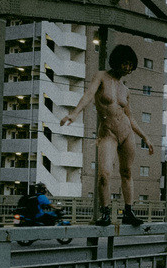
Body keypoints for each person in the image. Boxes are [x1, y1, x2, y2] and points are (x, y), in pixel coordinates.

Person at [60, 44, 153, 227]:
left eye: (130, 65)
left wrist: (145, 137)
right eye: (125, 63)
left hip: (126, 133)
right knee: (104, 174)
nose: (127, 68)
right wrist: (74, 113)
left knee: (127, 172)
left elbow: (130, 117)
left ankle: (128, 212)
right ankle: (105, 213)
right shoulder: (101, 76)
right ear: (117, 61)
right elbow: (89, 95)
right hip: (108, 133)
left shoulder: (125, 89)